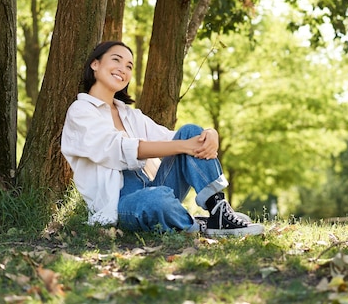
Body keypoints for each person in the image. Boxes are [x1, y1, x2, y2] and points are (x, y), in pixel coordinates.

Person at [61, 41, 264, 236]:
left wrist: (210, 133)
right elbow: (119, 149)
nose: (123, 68)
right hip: (120, 204)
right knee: (157, 200)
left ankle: (219, 211)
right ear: (95, 64)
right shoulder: (81, 111)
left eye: (129, 66)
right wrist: (184, 146)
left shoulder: (130, 115)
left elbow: (173, 138)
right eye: (116, 60)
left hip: (154, 185)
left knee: (191, 131)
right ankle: (197, 224)